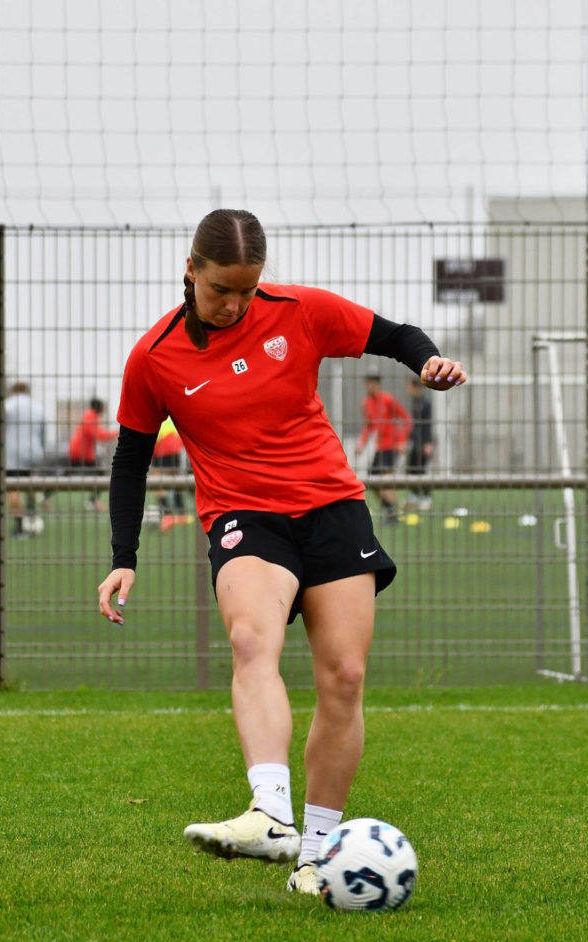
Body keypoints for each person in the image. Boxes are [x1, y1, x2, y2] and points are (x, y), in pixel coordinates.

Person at [97, 209, 466, 896]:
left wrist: (428, 362)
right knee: (250, 639)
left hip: (331, 506)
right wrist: (125, 554)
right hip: (244, 516)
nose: (234, 305)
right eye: (220, 290)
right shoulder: (155, 357)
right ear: (191, 271)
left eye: (246, 290)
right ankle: (270, 811)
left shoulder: (300, 311)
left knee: (345, 676)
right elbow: (130, 460)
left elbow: (396, 335)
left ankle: (316, 858)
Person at [355, 369, 412, 524]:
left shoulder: (388, 399)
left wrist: (402, 439)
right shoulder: (366, 403)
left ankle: (391, 514)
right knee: (371, 481)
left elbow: (406, 418)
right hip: (379, 447)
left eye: (371, 383)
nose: (368, 386)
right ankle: (391, 509)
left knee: (387, 479)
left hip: (391, 446)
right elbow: (369, 426)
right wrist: (361, 443)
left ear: (377, 384)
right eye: (367, 383)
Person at [4, 380, 46, 539]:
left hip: (12, 453)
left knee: (12, 488)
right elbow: (43, 432)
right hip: (33, 451)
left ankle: (20, 527)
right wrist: (41, 449)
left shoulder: (7, 406)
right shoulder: (38, 407)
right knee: (29, 481)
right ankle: (31, 514)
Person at [68, 398, 119, 511]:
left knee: (68, 474)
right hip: (81, 452)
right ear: (98, 407)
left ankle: (45, 494)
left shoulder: (90, 415)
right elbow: (97, 434)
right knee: (100, 474)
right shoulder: (91, 416)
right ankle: (92, 501)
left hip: (79, 451)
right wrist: (115, 433)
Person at [151, 417, 189, 532]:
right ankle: (181, 512)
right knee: (174, 481)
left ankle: (167, 514)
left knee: (158, 484)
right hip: (172, 447)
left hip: (161, 447)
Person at [405, 377, 435, 511]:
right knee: (412, 468)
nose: (407, 389)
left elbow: (427, 424)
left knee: (422, 470)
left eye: (409, 386)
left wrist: (428, 442)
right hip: (416, 440)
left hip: (424, 441)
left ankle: (427, 498)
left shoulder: (425, 401)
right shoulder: (415, 401)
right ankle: (415, 496)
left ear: (415, 387)